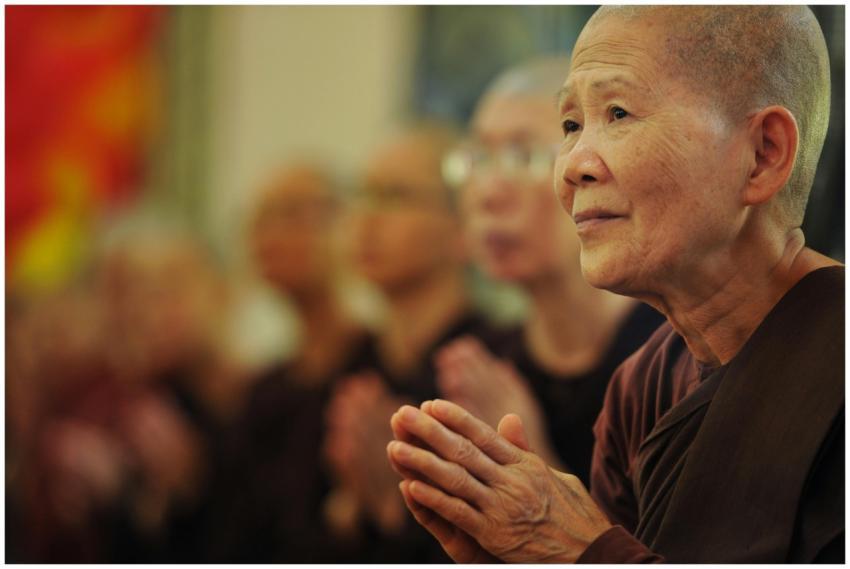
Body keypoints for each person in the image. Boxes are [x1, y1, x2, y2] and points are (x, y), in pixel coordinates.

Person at [387, 5, 843, 563]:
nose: (573, 165)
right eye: (571, 125)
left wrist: (582, 549)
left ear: (762, 155)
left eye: (620, 113)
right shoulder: (641, 389)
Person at [436, 56, 664, 482]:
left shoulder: (669, 360)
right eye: (478, 158)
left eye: (523, 157)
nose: (487, 192)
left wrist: (534, 466)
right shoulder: (480, 364)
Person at [323, 123, 496, 562]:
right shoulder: (349, 363)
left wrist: (389, 506)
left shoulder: (488, 368)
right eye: (362, 195)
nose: (366, 218)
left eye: (394, 196)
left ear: (462, 228)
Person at [207, 165, 372, 562]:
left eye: (293, 214)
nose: (268, 235)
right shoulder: (264, 389)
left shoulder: (377, 371)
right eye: (260, 219)